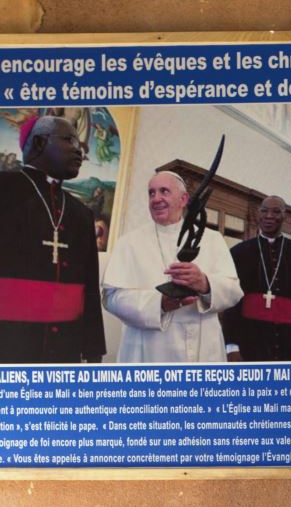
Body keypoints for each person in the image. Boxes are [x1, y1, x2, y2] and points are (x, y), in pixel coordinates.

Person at [101, 171, 243, 362]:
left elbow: (234, 291)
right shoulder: (129, 242)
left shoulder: (212, 239)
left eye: (164, 191)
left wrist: (205, 284)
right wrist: (158, 304)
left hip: (202, 347)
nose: (156, 198)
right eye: (151, 193)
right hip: (148, 349)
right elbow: (111, 298)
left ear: (184, 199)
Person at [0, 115, 105, 363]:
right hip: (9, 343)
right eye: (69, 140)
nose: (80, 150)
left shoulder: (82, 213)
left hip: (65, 349)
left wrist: (93, 350)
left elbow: (89, 289)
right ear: (38, 144)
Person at [222, 195, 291, 361]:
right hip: (251, 337)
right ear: (258, 214)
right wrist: (231, 346)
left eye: (276, 212)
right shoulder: (238, 252)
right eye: (264, 211)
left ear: (284, 216)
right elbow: (231, 302)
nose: (269, 216)